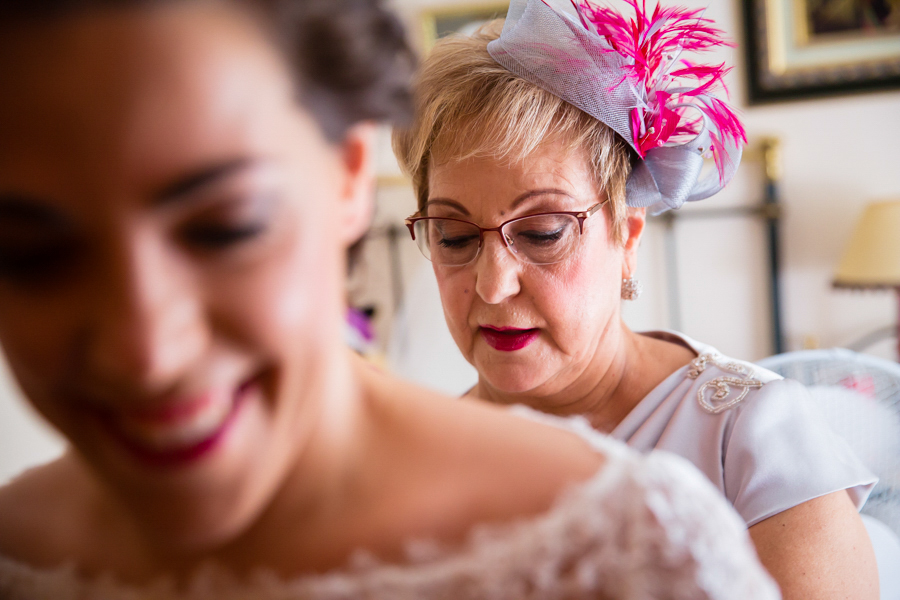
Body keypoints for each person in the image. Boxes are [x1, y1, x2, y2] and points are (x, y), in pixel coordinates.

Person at [0, 0, 780, 598]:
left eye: (224, 228)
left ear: (345, 179)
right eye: (30, 255)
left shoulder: (639, 540)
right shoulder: (18, 556)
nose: (145, 352)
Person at [392, 0, 880, 597]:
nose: (493, 286)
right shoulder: (412, 460)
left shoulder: (749, 436)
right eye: (455, 236)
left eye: (543, 233)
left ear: (627, 236)